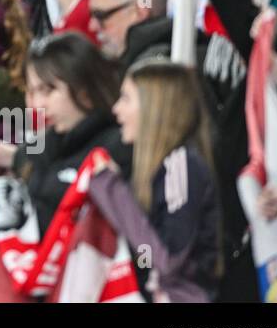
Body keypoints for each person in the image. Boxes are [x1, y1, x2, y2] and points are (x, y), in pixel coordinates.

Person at [0, 33, 130, 233]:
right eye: (32, 92)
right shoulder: (46, 146)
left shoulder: (118, 148)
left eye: (48, 91)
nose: (38, 104)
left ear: (84, 90)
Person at [93, 62, 222, 301]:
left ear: (154, 107)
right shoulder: (157, 170)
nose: (115, 109)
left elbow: (167, 257)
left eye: (126, 98)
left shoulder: (182, 165)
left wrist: (111, 189)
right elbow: (145, 254)